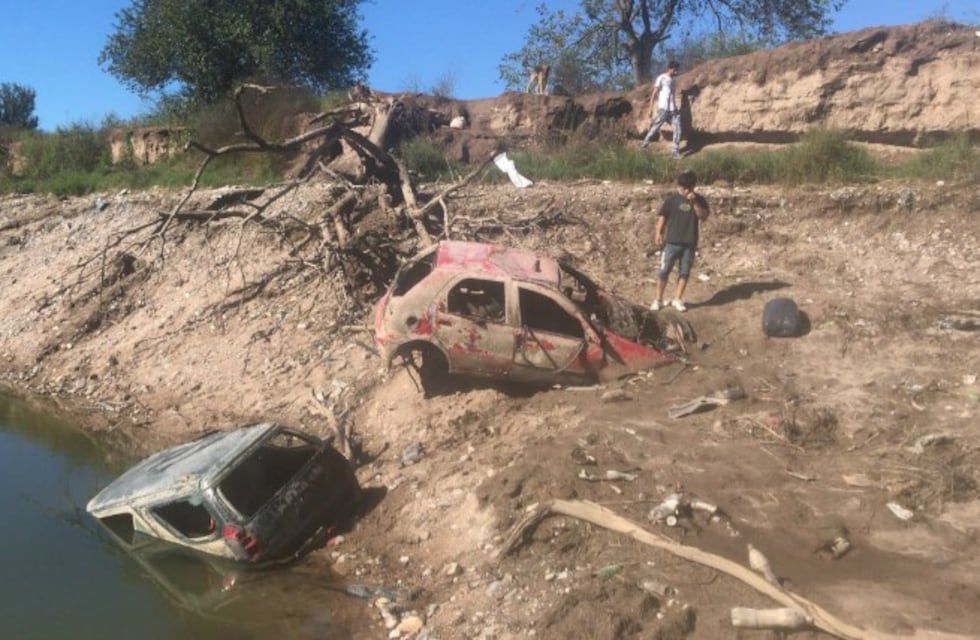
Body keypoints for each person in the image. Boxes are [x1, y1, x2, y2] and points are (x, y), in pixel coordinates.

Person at [650, 171, 710, 312]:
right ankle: (658, 300)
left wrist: (694, 202)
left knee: (684, 273)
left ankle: (678, 299)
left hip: (689, 244)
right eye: (680, 187)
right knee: (663, 271)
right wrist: (658, 233)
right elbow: (662, 217)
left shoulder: (700, 200)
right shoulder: (672, 200)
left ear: (692, 187)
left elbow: (703, 216)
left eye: (684, 188)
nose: (681, 190)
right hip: (671, 243)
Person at [640, 60, 682, 159]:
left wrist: (675, 107)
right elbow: (654, 93)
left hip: (672, 110)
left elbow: (672, 95)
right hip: (663, 109)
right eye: (675, 70)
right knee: (655, 127)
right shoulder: (661, 78)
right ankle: (643, 146)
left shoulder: (674, 81)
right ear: (670, 69)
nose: (677, 72)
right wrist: (650, 108)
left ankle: (675, 152)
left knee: (678, 129)